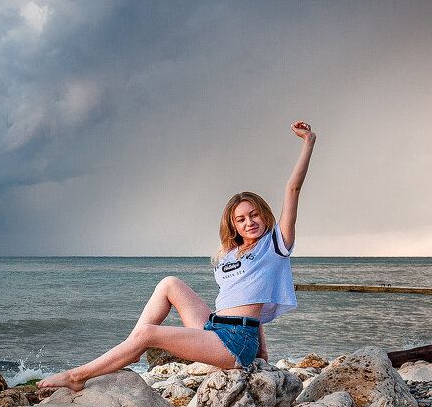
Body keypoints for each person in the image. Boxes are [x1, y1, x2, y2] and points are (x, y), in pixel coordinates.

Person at [41, 121, 316, 392]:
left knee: (150, 334)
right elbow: (246, 296)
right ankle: (133, 346)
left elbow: (292, 189)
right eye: (241, 219)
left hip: (234, 342)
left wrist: (308, 142)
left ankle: (78, 375)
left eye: (254, 214)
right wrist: (263, 352)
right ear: (233, 225)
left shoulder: (275, 245)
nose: (249, 222)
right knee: (170, 283)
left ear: (264, 214)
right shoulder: (231, 253)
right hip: (213, 328)